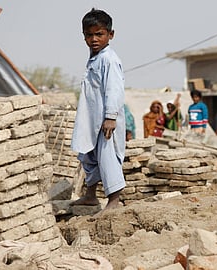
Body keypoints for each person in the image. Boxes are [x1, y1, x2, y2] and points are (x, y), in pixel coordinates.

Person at [70, 8, 126, 213]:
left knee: (107, 157)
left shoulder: (109, 59)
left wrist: (110, 117)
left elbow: (114, 89)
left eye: (99, 34)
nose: (94, 39)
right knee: (88, 155)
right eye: (89, 34)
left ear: (110, 35)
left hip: (106, 121)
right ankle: (90, 195)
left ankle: (114, 201)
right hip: (91, 119)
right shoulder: (95, 58)